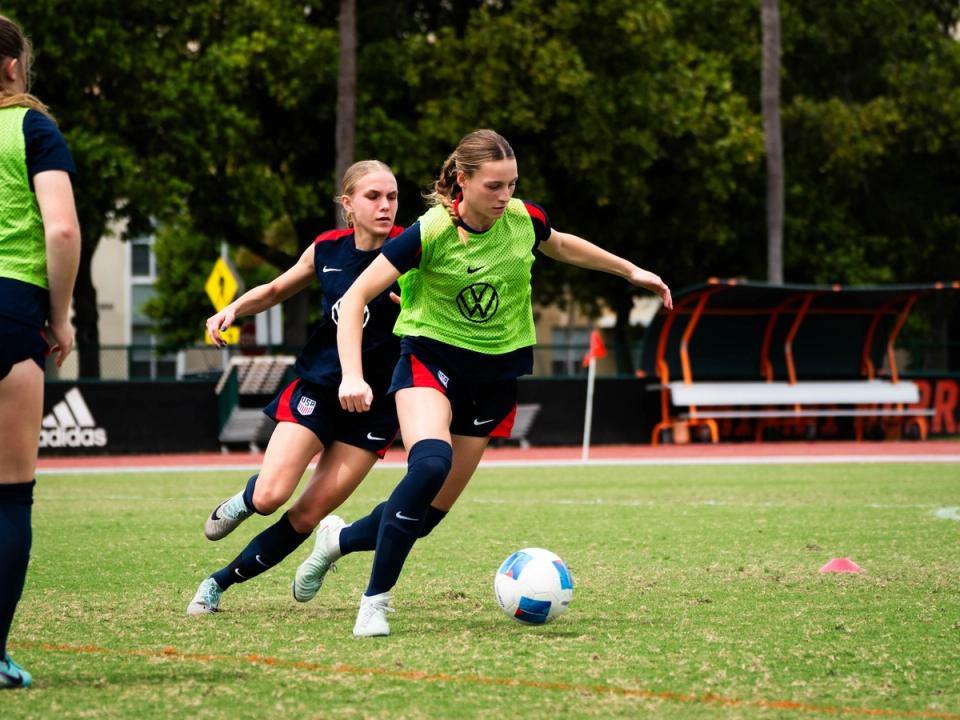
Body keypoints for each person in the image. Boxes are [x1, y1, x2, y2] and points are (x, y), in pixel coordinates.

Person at [315, 129, 672, 637]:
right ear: (463, 180)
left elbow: (562, 245)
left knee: (429, 515)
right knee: (428, 467)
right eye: (494, 186)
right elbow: (353, 299)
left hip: (494, 377)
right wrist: (352, 374)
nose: (505, 197)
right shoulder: (429, 231)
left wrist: (630, 271)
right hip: (428, 361)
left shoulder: (524, 219)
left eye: (512, 185)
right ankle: (375, 602)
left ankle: (338, 541)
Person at [187, 160, 409, 615]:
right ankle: (244, 499)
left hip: (376, 406)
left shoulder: (413, 250)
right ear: (348, 205)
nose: (385, 206)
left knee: (306, 515)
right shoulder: (327, 249)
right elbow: (274, 289)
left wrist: (416, 307)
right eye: (373, 197)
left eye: (392, 197)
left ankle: (217, 583)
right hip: (319, 387)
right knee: (270, 496)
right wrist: (234, 309)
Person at [0, 16, 81, 688]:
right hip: (9, 313)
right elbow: (60, 228)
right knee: (8, 499)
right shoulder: (30, 128)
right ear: (11, 68)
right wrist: (61, 318)